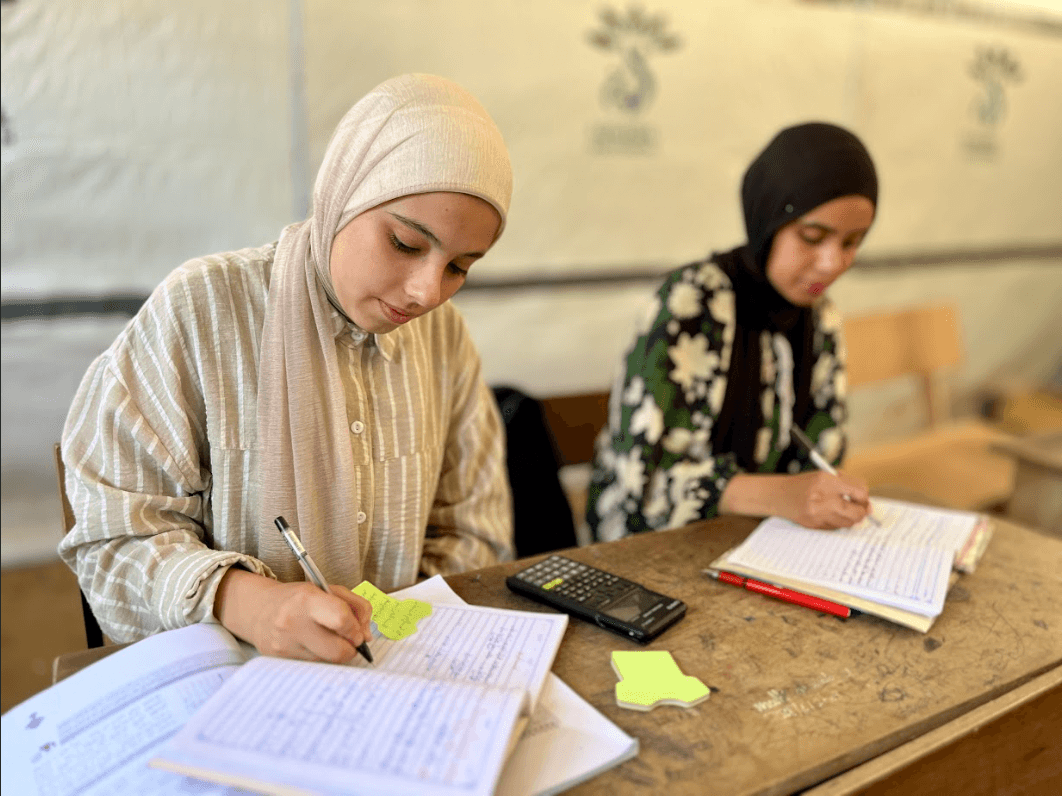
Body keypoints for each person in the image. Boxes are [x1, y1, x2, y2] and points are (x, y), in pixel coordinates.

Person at [59, 74, 515, 663]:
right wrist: (250, 605)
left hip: (394, 671)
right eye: (404, 243)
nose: (428, 291)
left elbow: (474, 524)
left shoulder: (442, 339)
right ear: (342, 194)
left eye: (460, 267)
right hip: (232, 679)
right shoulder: (202, 312)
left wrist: (405, 628)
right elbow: (113, 540)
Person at [587, 122, 878, 541]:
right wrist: (782, 496)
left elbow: (823, 453)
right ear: (768, 219)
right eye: (813, 237)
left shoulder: (823, 320)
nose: (833, 263)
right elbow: (643, 490)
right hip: (647, 556)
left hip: (768, 550)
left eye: (853, 242)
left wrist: (826, 494)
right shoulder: (693, 303)